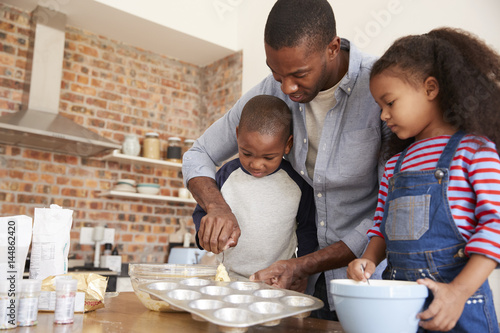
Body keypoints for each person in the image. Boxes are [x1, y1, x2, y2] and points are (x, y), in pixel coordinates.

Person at [182, 0, 390, 319]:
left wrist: (304, 263)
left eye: (298, 74)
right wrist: (217, 207)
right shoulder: (272, 90)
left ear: (332, 48)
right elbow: (199, 153)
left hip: (364, 283)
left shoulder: (380, 89)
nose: (287, 87)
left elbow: (387, 208)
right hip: (298, 287)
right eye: (276, 73)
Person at [347, 27, 500, 332]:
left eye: (390, 102)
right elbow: (381, 225)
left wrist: (458, 292)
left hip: (460, 309)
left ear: (431, 89)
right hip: (403, 307)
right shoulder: (394, 165)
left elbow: (495, 225)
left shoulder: (474, 151)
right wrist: (368, 259)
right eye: (379, 107)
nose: (383, 116)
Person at [192, 95, 318, 278]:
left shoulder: (298, 182)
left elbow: (307, 229)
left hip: (276, 282)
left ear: (287, 145)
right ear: (237, 136)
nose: (257, 164)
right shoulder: (226, 175)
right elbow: (202, 212)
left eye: (268, 157)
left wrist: (301, 272)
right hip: (228, 279)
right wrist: (205, 236)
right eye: (247, 153)